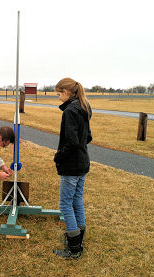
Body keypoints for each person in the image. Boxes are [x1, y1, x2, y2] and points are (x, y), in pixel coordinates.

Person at [52, 77, 92, 259]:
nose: (58, 97)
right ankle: (78, 238)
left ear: (66, 92)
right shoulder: (84, 107)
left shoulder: (70, 111)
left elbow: (72, 141)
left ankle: (74, 248)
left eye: (58, 94)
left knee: (65, 204)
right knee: (76, 200)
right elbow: (88, 138)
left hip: (72, 165)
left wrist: (58, 156)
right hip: (83, 163)